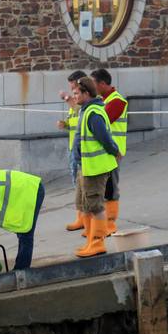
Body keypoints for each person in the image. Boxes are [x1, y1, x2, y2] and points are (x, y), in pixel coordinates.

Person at [71, 77, 121, 258]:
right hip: (87, 167)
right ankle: (90, 242)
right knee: (87, 205)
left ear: (87, 93)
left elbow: (105, 138)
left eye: (77, 93)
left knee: (95, 206)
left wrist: (114, 151)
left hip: (96, 168)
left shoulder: (93, 113)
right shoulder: (87, 111)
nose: (74, 96)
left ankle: (98, 243)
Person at [91, 68, 128, 236]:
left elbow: (101, 122)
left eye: (93, 84)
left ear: (103, 84)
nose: (92, 87)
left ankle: (110, 224)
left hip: (113, 152)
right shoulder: (101, 100)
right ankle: (103, 223)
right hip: (105, 152)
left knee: (111, 188)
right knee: (103, 188)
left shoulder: (117, 101)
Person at [57, 70, 88, 232]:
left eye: (75, 88)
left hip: (83, 148)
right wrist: (65, 124)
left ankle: (86, 218)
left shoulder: (85, 99)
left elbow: (79, 111)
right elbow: (74, 119)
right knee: (77, 185)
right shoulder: (75, 100)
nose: (73, 92)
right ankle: (81, 217)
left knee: (84, 185)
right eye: (71, 89)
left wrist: (66, 98)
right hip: (73, 147)